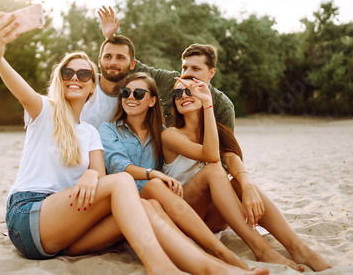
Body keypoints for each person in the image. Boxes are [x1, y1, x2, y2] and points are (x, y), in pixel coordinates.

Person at [0, 11, 268, 275]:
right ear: (60, 80)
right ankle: (160, 267)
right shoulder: (44, 110)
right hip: (29, 214)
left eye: (84, 75)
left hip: (68, 231)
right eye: (68, 73)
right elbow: (21, 90)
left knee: (149, 205)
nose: (75, 78)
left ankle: (213, 266)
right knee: (124, 182)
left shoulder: (89, 132)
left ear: (92, 85)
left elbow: (99, 173)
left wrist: (90, 174)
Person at [161, 76, 333, 272]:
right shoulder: (170, 135)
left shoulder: (216, 132)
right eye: (177, 93)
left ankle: (299, 249)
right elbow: (210, 155)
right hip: (184, 213)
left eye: (191, 90)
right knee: (215, 170)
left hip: (211, 220)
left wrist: (248, 186)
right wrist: (208, 105)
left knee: (236, 182)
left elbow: (233, 159)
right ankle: (262, 249)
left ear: (204, 93)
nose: (183, 96)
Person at [99, 72, 249, 270]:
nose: (130, 97)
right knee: (154, 186)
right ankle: (218, 251)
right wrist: (152, 173)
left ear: (152, 101)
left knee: (156, 194)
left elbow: (213, 154)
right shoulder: (108, 129)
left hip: (157, 207)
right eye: (126, 92)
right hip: (124, 207)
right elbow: (118, 165)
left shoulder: (161, 132)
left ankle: (216, 254)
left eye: (138, 93)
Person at [95, 5, 235, 130]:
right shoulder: (170, 81)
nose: (187, 74)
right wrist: (110, 37)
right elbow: (129, 65)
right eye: (184, 68)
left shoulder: (223, 107)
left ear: (211, 73)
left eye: (196, 69)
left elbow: (226, 152)